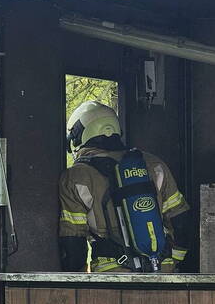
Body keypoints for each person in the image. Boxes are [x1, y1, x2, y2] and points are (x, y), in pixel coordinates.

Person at [58, 100, 191, 273]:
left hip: (113, 273)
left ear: (79, 135)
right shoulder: (154, 164)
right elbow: (181, 221)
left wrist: (75, 281)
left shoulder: (76, 177)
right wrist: (173, 261)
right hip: (161, 269)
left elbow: (73, 240)